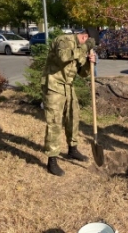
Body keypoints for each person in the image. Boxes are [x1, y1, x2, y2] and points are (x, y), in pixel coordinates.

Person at [41, 29, 96, 176]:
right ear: (84, 36)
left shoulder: (81, 48)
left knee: (73, 118)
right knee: (55, 122)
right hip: (54, 85)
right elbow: (62, 56)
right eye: (87, 42)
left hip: (68, 87)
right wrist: (83, 49)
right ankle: (52, 160)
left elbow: (83, 73)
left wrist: (90, 64)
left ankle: (72, 149)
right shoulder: (64, 40)